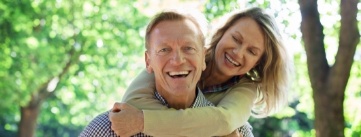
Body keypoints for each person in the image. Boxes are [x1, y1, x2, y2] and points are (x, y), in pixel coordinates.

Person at [109, 7, 293, 137]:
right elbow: (132, 103)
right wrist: (206, 129)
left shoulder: (246, 89)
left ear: (258, 62)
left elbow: (224, 122)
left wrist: (142, 122)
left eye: (252, 51)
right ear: (222, 32)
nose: (238, 52)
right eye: (236, 39)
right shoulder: (181, 56)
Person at [80, 10, 254, 137]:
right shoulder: (107, 128)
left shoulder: (238, 132)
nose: (177, 60)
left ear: (203, 58)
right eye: (164, 49)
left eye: (188, 48)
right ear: (148, 62)